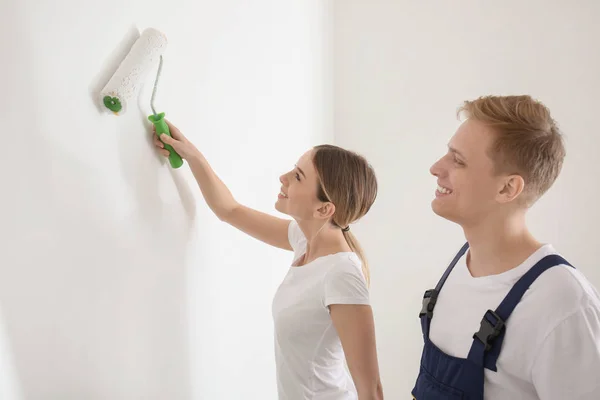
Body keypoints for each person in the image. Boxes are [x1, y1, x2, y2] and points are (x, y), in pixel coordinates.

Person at [153, 121, 384, 400]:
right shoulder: (305, 240)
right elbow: (230, 210)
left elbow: (371, 390)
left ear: (324, 208)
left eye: (298, 176)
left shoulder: (342, 273)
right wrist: (191, 154)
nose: (283, 177)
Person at [411, 95, 600, 399]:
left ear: (507, 188)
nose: (436, 168)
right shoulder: (461, 263)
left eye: (458, 160)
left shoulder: (563, 304)